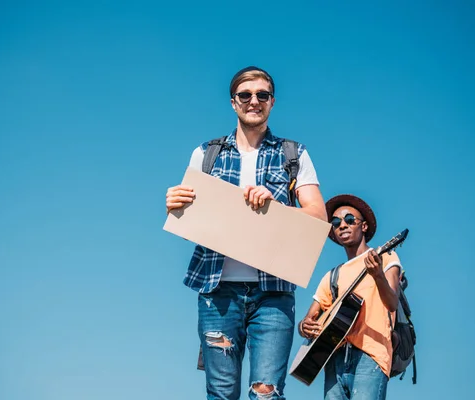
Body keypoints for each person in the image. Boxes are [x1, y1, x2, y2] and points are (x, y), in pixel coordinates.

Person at [165, 66, 327, 400]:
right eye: (245, 95)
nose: (254, 101)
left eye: (262, 95)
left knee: (266, 394)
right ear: (233, 102)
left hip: (274, 295)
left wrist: (277, 206)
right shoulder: (206, 154)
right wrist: (175, 205)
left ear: (272, 102)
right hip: (217, 293)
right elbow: (189, 223)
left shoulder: (293, 155)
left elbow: (317, 215)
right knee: (221, 394)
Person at [299, 194, 402, 400]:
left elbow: (392, 302)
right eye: (336, 222)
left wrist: (378, 275)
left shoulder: (385, 257)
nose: (342, 225)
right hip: (334, 356)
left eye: (349, 220)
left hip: (371, 354)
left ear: (363, 227)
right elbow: (308, 320)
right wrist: (304, 326)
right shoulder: (332, 276)